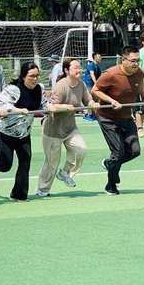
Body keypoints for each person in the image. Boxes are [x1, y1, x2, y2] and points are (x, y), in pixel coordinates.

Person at [91, 45, 144, 195]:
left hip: (126, 117)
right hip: (107, 118)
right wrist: (111, 101)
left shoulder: (139, 72)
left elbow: (141, 84)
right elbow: (95, 90)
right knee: (118, 152)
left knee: (135, 151)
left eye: (138, 60)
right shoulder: (111, 74)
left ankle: (110, 164)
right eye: (133, 61)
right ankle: (111, 185)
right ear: (123, 60)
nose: (136, 64)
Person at [35, 58, 96, 197]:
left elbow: (88, 100)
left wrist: (93, 103)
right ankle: (42, 190)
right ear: (67, 70)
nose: (79, 70)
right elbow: (51, 106)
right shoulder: (60, 86)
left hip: (70, 128)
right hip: (53, 130)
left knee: (81, 150)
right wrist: (66, 106)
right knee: (52, 163)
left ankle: (65, 173)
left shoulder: (81, 84)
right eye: (75, 67)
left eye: (80, 67)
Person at [0, 62, 48, 201]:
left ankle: (19, 194)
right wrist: (18, 110)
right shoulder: (13, 89)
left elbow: (45, 105)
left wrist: (53, 108)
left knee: (25, 161)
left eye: (37, 76)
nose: (35, 79)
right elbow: (1, 105)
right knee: (5, 166)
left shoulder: (39, 89)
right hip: (6, 132)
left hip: (24, 133)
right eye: (31, 76)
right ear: (23, 76)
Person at [82, 52, 102, 121]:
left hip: (93, 85)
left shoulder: (98, 67)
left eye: (100, 57)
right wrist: (96, 84)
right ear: (95, 57)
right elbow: (92, 75)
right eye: (99, 57)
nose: (100, 58)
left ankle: (93, 114)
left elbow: (100, 77)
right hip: (88, 84)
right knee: (90, 99)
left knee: (95, 99)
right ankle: (89, 115)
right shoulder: (91, 65)